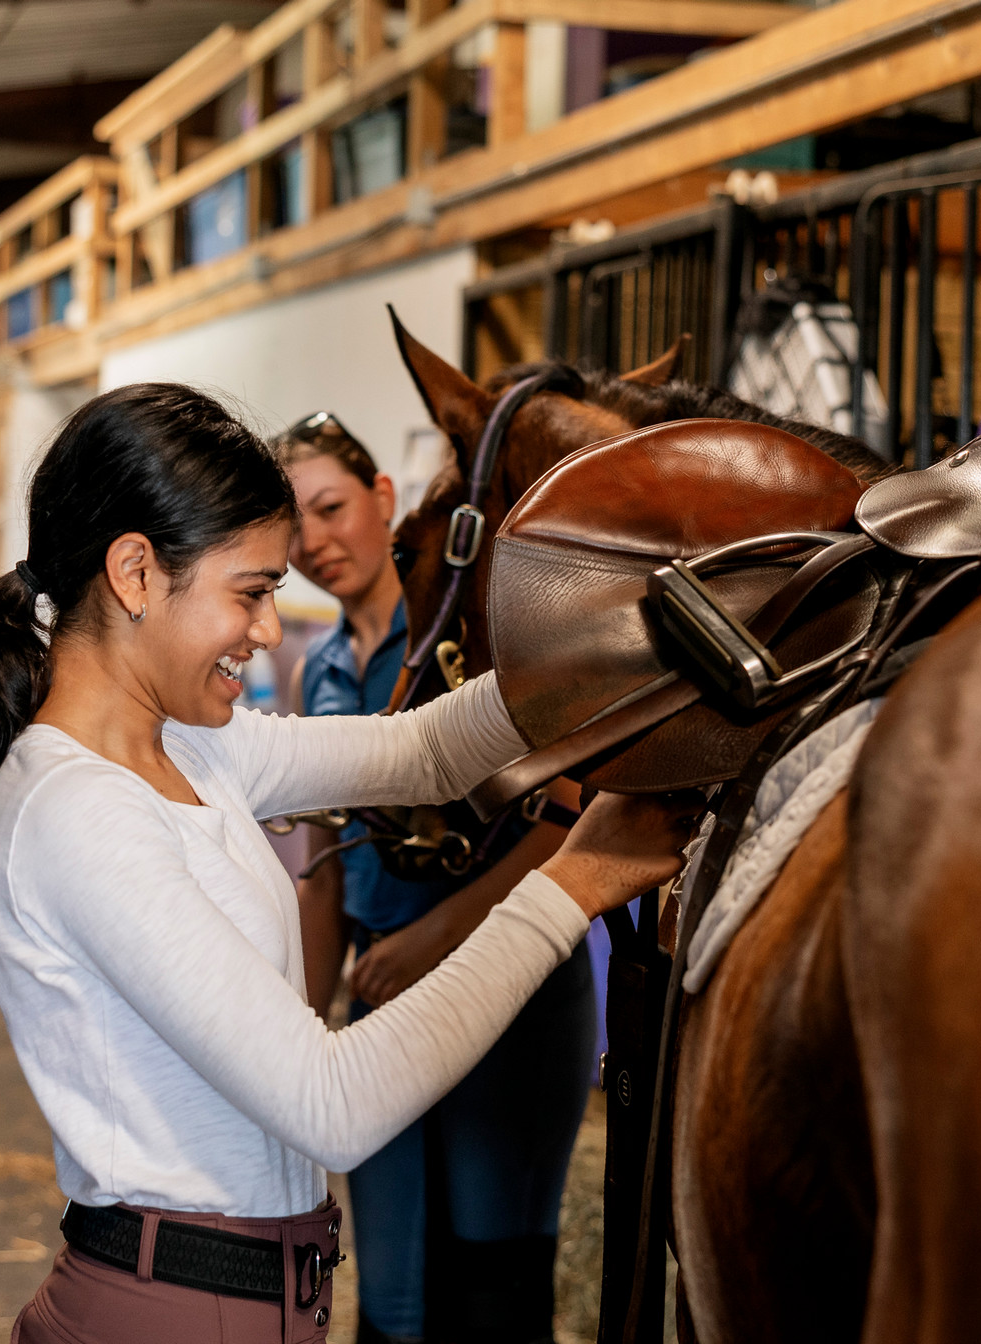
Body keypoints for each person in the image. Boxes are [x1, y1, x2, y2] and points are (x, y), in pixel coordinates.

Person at [0, 384, 695, 1344]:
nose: (272, 631)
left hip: (254, 1300)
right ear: (136, 573)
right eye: (253, 591)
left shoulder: (191, 747)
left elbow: (427, 752)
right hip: (173, 1315)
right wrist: (574, 883)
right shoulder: (76, 812)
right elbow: (336, 1105)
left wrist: (618, 650)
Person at [275, 412, 593, 1344]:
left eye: (331, 509)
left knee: (490, 1285)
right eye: (292, 531)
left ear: (384, 502)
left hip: (505, 992)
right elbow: (326, 875)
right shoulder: (319, 672)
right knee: (394, 1299)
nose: (315, 544)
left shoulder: (478, 646)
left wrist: (430, 939)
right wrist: (298, 1030)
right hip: (381, 996)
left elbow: (568, 830)